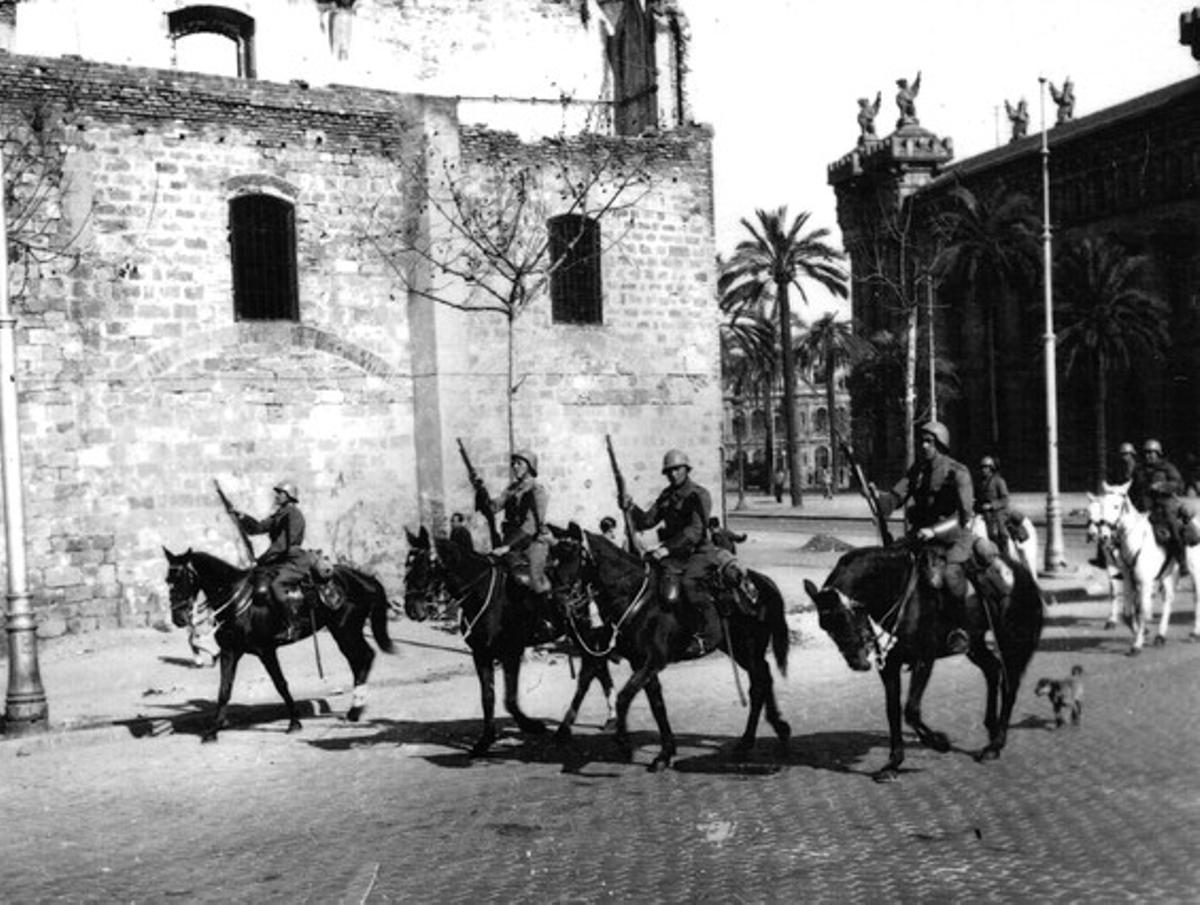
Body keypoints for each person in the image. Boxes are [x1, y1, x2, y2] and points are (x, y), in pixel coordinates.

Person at [870, 421, 1010, 655]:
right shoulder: (918, 470)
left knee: (948, 576)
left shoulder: (958, 472)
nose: (923, 446)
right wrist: (877, 497)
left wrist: (934, 531)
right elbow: (894, 499)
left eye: (929, 442)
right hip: (922, 536)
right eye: (922, 441)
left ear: (941, 445)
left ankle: (958, 630)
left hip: (954, 537)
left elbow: (965, 516)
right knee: (894, 565)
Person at [621, 449, 722, 658]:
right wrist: (630, 506)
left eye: (677, 469)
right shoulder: (667, 495)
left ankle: (705, 635)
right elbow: (647, 521)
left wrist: (666, 549)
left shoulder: (698, 494)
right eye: (669, 471)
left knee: (688, 584)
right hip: (675, 555)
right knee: (650, 580)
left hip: (699, 553)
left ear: (686, 469)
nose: (673, 474)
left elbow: (695, 531)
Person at [474, 448, 558, 638]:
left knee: (533, 579)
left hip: (533, 542)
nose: (515, 467)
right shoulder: (511, 489)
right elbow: (493, 507)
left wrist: (508, 546)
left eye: (519, 463)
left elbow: (531, 525)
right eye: (514, 463)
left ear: (530, 467)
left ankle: (546, 621)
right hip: (511, 540)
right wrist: (481, 492)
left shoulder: (537, 491)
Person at [235, 480, 308, 638]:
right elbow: (258, 528)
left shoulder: (294, 515)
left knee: (276, 585)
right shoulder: (280, 514)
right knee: (254, 580)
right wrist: (241, 517)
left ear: (289, 496)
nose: (277, 496)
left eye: (280, 493)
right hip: (280, 559)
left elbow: (282, 545)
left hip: (292, 560)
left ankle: (293, 625)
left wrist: (261, 560)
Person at [1129, 438, 1187, 570]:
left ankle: (1182, 561)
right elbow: (1132, 489)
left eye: (1152, 452)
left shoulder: (1167, 467)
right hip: (1144, 505)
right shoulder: (1139, 469)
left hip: (1165, 504)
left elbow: (1179, 485)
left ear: (1158, 453)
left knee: (1173, 526)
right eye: (1146, 453)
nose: (1149, 455)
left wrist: (1163, 486)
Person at [974, 455, 1010, 548]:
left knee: (1000, 531)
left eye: (986, 467)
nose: (983, 470)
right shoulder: (980, 483)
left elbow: (1005, 499)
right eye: (982, 467)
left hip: (998, 512)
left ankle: (1003, 549)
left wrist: (991, 505)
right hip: (984, 512)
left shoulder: (999, 481)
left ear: (991, 468)